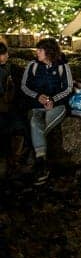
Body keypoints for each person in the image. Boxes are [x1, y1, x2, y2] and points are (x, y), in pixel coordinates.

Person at [21, 37, 73, 185]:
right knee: (35, 120)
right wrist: (38, 97)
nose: (37, 52)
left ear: (49, 52)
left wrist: (53, 100)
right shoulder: (32, 65)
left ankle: (36, 158)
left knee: (37, 127)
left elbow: (68, 88)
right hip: (36, 106)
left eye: (40, 50)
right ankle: (42, 164)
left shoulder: (63, 66)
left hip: (58, 106)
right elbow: (24, 86)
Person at [0, 42, 30, 177]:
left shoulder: (7, 67)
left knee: (19, 128)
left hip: (7, 109)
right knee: (15, 128)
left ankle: (13, 161)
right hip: (3, 110)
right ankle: (12, 162)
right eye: (3, 54)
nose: (6, 56)